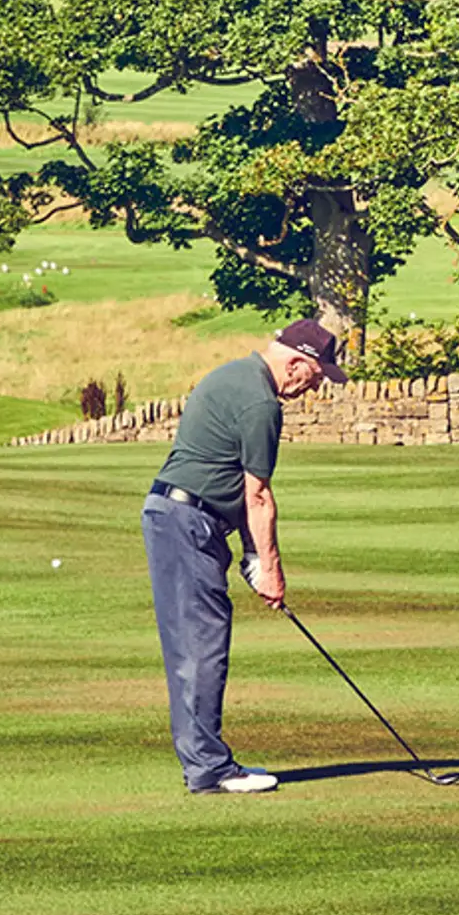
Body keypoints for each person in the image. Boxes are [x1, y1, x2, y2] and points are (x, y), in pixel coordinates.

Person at [140, 317, 346, 794]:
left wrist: (252, 557)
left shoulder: (232, 374)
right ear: (297, 364)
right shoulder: (260, 403)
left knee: (196, 643)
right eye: (316, 377)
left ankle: (207, 761)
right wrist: (270, 569)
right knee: (201, 646)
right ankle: (209, 768)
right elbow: (257, 496)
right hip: (188, 521)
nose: (313, 388)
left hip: (179, 516)